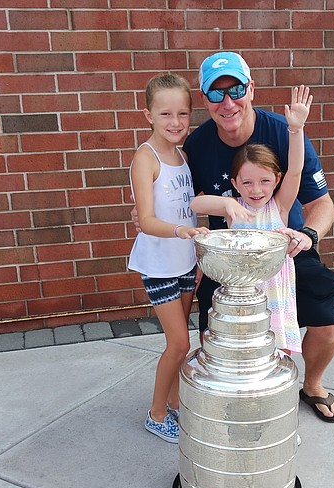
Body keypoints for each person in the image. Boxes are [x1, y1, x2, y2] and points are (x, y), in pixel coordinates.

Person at [184, 52, 334, 423]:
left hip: (286, 249)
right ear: (204, 98)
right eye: (216, 93)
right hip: (231, 261)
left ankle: (312, 385)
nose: (228, 102)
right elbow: (184, 203)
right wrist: (148, 212)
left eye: (236, 89)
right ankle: (234, 393)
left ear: (251, 88)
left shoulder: (281, 132)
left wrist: (307, 235)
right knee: (216, 334)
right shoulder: (196, 147)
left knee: (325, 317)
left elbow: (322, 204)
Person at [190, 84, 313, 355]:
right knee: (242, 351)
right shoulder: (234, 208)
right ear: (235, 183)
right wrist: (224, 203)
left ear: (276, 181)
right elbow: (195, 203)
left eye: (264, 181)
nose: (256, 190)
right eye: (247, 182)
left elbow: (296, 170)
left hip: (275, 292)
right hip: (240, 294)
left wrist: (296, 129)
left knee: (277, 352)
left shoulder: (279, 207)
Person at [128, 73, 209, 443]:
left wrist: (194, 251)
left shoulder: (184, 155)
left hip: (185, 263)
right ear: (148, 115)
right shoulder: (145, 159)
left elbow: (187, 210)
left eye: (182, 114)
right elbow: (145, 220)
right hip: (159, 264)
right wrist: (181, 233)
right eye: (165, 114)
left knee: (184, 342)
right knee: (177, 343)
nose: (175, 122)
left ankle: (175, 404)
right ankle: (156, 413)